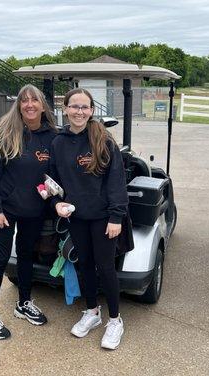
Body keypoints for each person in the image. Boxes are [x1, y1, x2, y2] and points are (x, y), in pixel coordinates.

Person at [50, 88, 130, 350]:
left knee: (105, 267)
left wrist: (116, 216)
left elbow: (116, 182)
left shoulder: (104, 141)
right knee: (83, 264)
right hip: (77, 217)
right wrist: (56, 202)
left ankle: (115, 320)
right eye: (74, 106)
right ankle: (92, 312)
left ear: (92, 110)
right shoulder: (58, 143)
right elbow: (52, 182)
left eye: (85, 107)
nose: (79, 112)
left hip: (104, 217)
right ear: (65, 109)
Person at [0, 84, 57, 340]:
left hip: (34, 210)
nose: (30, 105)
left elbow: (55, 174)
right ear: (19, 105)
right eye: (25, 101)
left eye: (35, 100)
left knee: (25, 257)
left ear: (43, 105)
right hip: (5, 210)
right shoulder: (4, 133)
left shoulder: (52, 136)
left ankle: (23, 303)